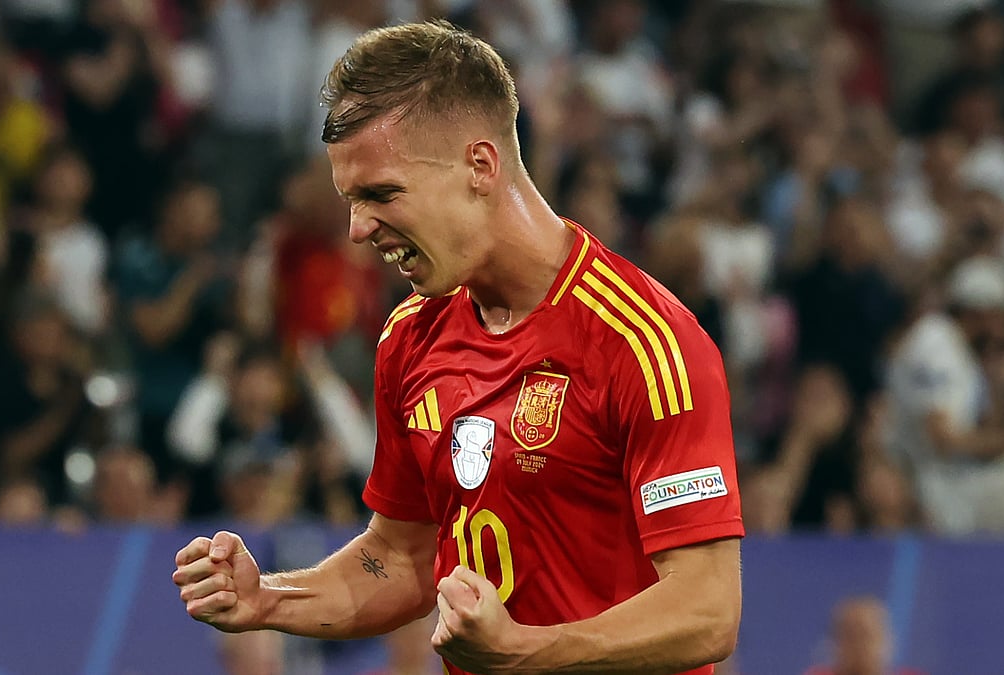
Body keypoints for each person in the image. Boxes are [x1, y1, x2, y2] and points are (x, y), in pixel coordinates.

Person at [173, 20, 743, 675]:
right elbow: (403, 557)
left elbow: (707, 609)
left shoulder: (644, 341)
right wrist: (267, 597)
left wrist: (526, 652)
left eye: (382, 193)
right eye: (350, 199)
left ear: (479, 165)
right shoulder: (410, 336)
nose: (358, 229)